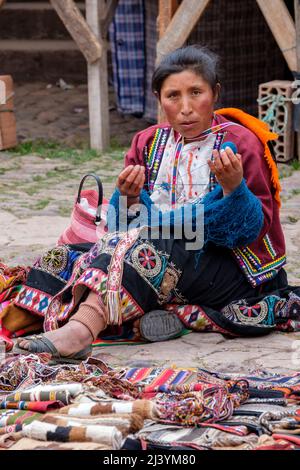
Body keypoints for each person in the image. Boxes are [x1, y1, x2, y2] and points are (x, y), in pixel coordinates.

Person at [14, 45, 294, 360]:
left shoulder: (241, 143)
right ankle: (42, 320)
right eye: (173, 96)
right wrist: (129, 197)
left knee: (147, 245)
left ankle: (82, 329)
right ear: (158, 99)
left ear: (215, 94)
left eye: (196, 93)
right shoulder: (146, 142)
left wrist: (234, 189)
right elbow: (119, 228)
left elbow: (254, 229)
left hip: (229, 271)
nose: (186, 107)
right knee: (65, 257)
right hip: (161, 258)